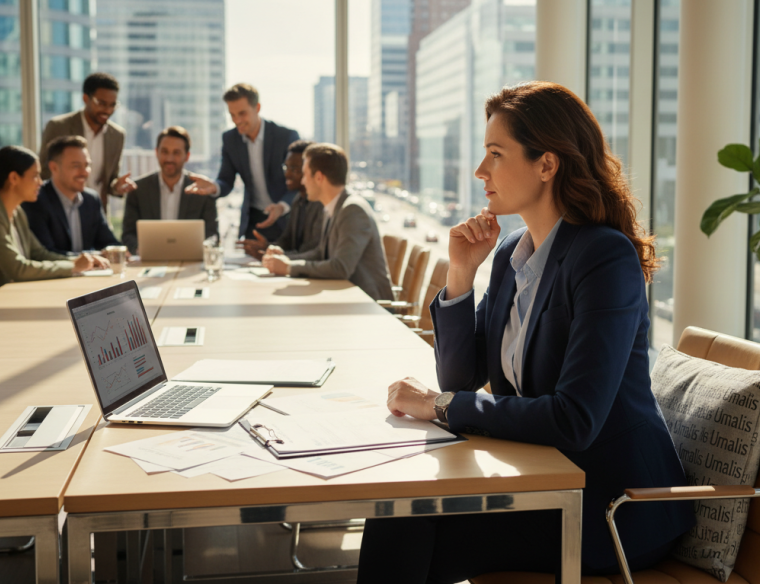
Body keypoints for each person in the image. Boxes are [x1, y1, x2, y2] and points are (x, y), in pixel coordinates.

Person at [357, 82, 694, 582]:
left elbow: (574, 419)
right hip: (544, 478)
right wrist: (460, 276)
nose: (480, 171)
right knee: (401, 511)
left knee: (405, 524)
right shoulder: (513, 252)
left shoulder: (603, 257)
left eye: (496, 154)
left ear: (546, 164)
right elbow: (462, 378)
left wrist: (441, 405)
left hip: (612, 506)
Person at [0, 146, 109, 298]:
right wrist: (73, 266)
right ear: (14, 178)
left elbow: (39, 254)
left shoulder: (16, 212)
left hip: (3, 299)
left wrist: (79, 261)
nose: (40, 182)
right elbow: (18, 269)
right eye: (35, 176)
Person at [262, 143, 392, 301]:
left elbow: (340, 267)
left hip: (370, 307)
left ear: (318, 177)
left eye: (305, 175)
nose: (302, 182)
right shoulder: (333, 207)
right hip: (347, 299)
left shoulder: (353, 210)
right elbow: (320, 253)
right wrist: (284, 258)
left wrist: (289, 267)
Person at [185, 83, 300, 242]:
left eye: (242, 113)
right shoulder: (230, 139)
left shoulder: (285, 136)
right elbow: (226, 180)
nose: (237, 120)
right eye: (232, 115)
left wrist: (281, 206)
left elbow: (301, 181)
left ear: (257, 108)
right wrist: (214, 187)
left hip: (286, 217)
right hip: (254, 220)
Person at [40, 72, 136, 210]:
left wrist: (117, 186)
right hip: (61, 210)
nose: (107, 110)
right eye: (101, 103)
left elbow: (110, 180)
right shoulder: (58, 127)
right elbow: (44, 172)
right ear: (86, 98)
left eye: (112, 105)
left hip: (96, 213)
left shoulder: (117, 135)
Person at [120, 126, 218, 254]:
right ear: (157, 152)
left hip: (190, 264)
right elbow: (128, 234)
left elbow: (213, 235)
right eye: (164, 151)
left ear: (187, 156)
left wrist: (204, 248)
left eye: (176, 153)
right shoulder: (138, 189)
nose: (169, 159)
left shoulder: (201, 190)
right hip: (149, 263)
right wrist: (140, 250)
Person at [23, 136, 122, 255]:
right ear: (54, 167)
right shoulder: (36, 200)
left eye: (87, 165)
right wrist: (92, 257)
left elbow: (108, 243)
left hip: (91, 272)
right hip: (59, 273)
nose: (84, 172)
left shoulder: (91, 199)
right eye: (76, 166)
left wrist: (121, 251)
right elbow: (45, 253)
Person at [241, 139, 323, 259]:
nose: (287, 174)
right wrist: (267, 247)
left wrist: (274, 257)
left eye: (294, 169)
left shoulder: (322, 205)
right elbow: (287, 241)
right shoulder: (297, 201)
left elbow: (312, 253)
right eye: (286, 167)